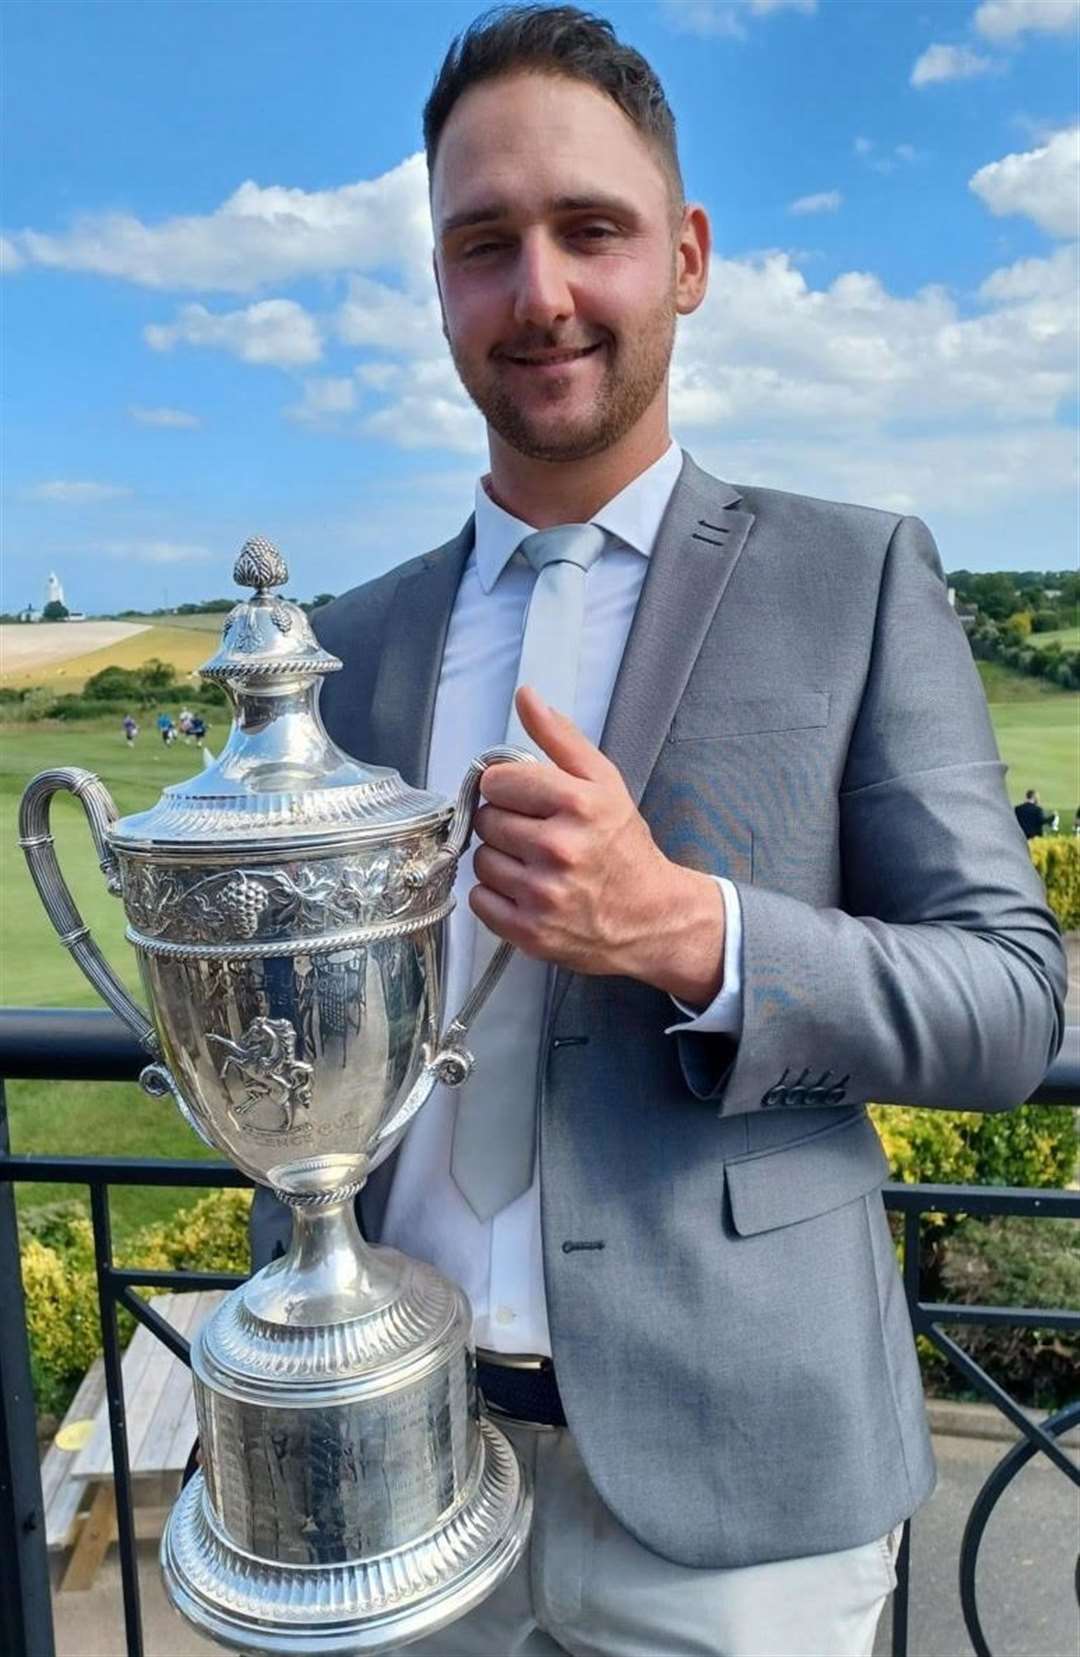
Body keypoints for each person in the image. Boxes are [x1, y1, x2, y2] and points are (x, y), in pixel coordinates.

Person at [249, 9, 1065, 1654]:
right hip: (399, 1477)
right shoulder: (351, 643)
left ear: (685, 258)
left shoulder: (859, 574)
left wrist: (694, 932)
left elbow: (1014, 1000)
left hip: (742, 1498)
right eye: (485, 244)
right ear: (437, 284)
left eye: (590, 230)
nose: (539, 292)